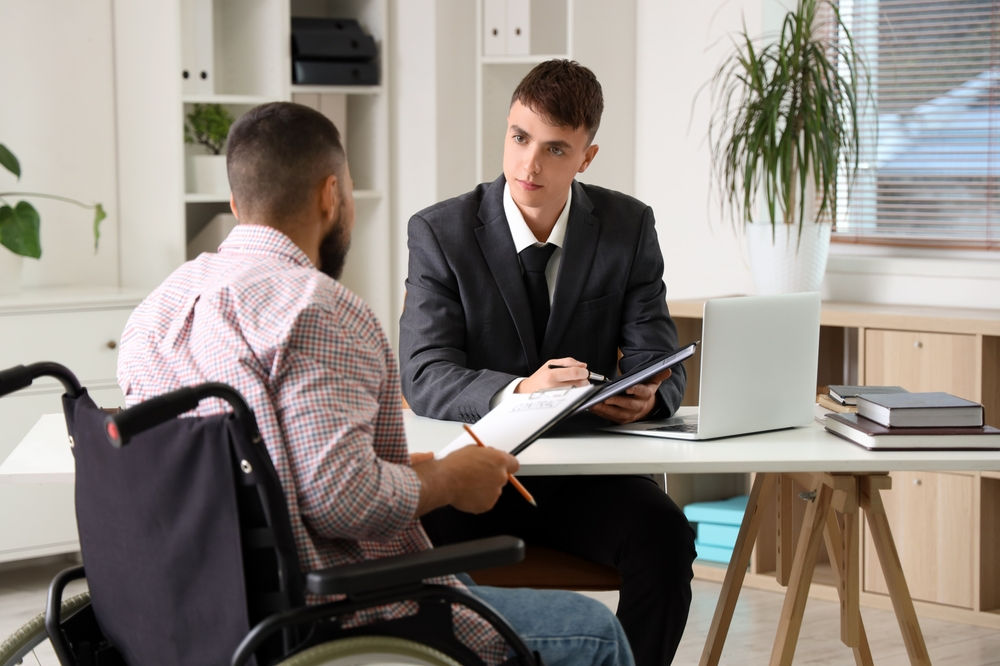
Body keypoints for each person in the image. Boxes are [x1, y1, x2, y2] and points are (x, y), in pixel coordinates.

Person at [117, 102, 633, 666]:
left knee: (458, 572)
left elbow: (276, 473)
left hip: (199, 605)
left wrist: (425, 469)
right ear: (331, 196)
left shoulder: (158, 310)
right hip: (328, 610)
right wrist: (453, 481)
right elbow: (345, 503)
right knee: (595, 630)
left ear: (237, 203)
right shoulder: (317, 311)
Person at [398, 60, 697, 665]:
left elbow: (661, 360)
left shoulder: (628, 226)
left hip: (584, 480)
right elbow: (424, 373)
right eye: (519, 137)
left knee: (666, 538)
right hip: (472, 479)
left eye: (555, 148)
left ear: (586, 157)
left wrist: (650, 396)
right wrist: (518, 390)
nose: (529, 164)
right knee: (404, 550)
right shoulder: (439, 232)